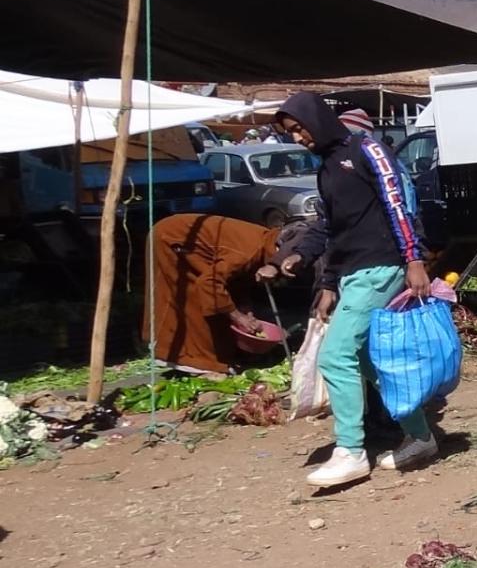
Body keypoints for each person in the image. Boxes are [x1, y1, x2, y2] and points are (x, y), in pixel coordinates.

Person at [267, 94, 435, 487]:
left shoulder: (367, 150)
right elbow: (330, 229)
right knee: (367, 361)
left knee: (334, 355)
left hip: (382, 265)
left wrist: (414, 259)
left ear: (318, 119)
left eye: (300, 127)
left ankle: (351, 452)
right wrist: (315, 272)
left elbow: (398, 204)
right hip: (354, 273)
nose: (298, 137)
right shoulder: (325, 167)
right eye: (291, 133)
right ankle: (422, 436)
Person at [144, 214, 285, 375]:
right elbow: (209, 283)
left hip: (197, 248)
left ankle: (215, 356)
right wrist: (238, 317)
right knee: (192, 300)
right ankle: (191, 360)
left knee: (217, 302)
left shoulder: (263, 247)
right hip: (171, 239)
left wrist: (246, 310)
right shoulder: (248, 252)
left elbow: (236, 281)